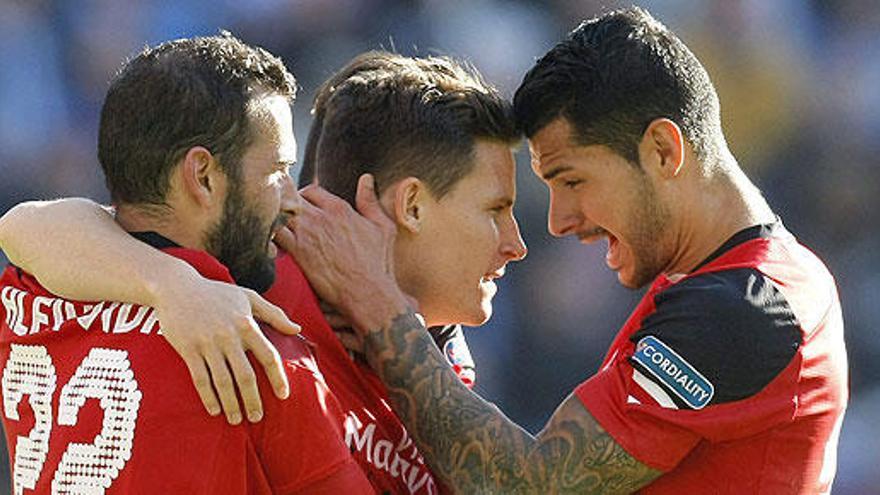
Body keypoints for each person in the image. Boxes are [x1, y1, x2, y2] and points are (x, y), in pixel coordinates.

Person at [281, 7, 848, 494]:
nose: (558, 223)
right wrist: (189, 290)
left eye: (572, 181)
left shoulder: (747, 306)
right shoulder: (741, 284)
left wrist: (381, 309)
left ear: (662, 150)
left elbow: (525, 485)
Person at [0, 50, 527, 494]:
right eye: (495, 209)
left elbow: (26, 229)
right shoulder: (258, 319)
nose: (517, 244)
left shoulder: (439, 352)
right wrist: (174, 285)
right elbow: (28, 226)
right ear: (411, 204)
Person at [0, 33, 376, 493]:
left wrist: (170, 282)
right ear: (202, 176)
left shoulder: (28, 298)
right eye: (277, 171)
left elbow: (24, 225)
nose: (292, 199)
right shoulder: (251, 352)